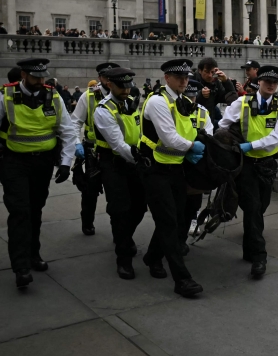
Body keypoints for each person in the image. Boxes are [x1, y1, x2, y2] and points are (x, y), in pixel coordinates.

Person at [0, 58, 77, 289]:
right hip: (14, 162)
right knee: (20, 211)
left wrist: (65, 163)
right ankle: (20, 267)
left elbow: (68, 131)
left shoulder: (54, 95)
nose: (41, 81)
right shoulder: (6, 95)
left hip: (43, 163)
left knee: (35, 210)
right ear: (23, 75)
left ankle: (33, 254)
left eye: (43, 77)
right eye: (35, 77)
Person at [219, 65, 278, 279]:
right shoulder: (241, 103)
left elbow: (277, 136)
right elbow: (222, 125)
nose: (271, 85)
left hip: (267, 164)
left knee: (261, 206)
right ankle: (259, 257)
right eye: (267, 81)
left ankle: (248, 248)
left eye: (275, 82)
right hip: (246, 164)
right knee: (253, 208)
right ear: (259, 82)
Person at [138, 59, 208, 297]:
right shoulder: (158, 101)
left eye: (186, 78)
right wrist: (192, 147)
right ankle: (182, 280)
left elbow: (187, 130)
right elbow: (169, 138)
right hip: (155, 170)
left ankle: (152, 257)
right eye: (179, 78)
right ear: (167, 78)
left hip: (175, 168)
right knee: (168, 222)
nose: (184, 81)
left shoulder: (181, 101)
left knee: (176, 219)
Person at [93, 67, 150, 280]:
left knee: (139, 206)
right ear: (110, 84)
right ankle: (123, 259)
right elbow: (117, 144)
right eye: (122, 86)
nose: (126, 91)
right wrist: (138, 158)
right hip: (114, 163)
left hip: (134, 162)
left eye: (129, 86)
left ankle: (124, 236)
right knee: (120, 210)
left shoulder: (130, 103)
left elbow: (139, 132)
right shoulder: (103, 109)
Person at [72, 62, 120, 235]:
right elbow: (76, 120)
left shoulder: (123, 93)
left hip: (115, 151)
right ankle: (87, 222)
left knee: (115, 194)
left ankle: (119, 232)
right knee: (90, 191)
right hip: (93, 151)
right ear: (100, 78)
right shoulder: (89, 96)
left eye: (111, 77)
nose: (108, 81)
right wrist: (77, 142)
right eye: (105, 77)